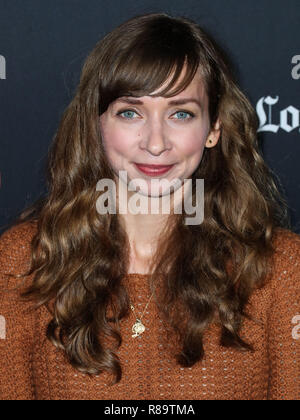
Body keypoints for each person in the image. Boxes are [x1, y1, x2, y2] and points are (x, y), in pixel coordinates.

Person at [0, 12, 299, 401]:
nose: (155, 143)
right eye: (130, 112)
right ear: (96, 125)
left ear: (213, 130)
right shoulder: (23, 261)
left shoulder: (281, 271)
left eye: (180, 113)